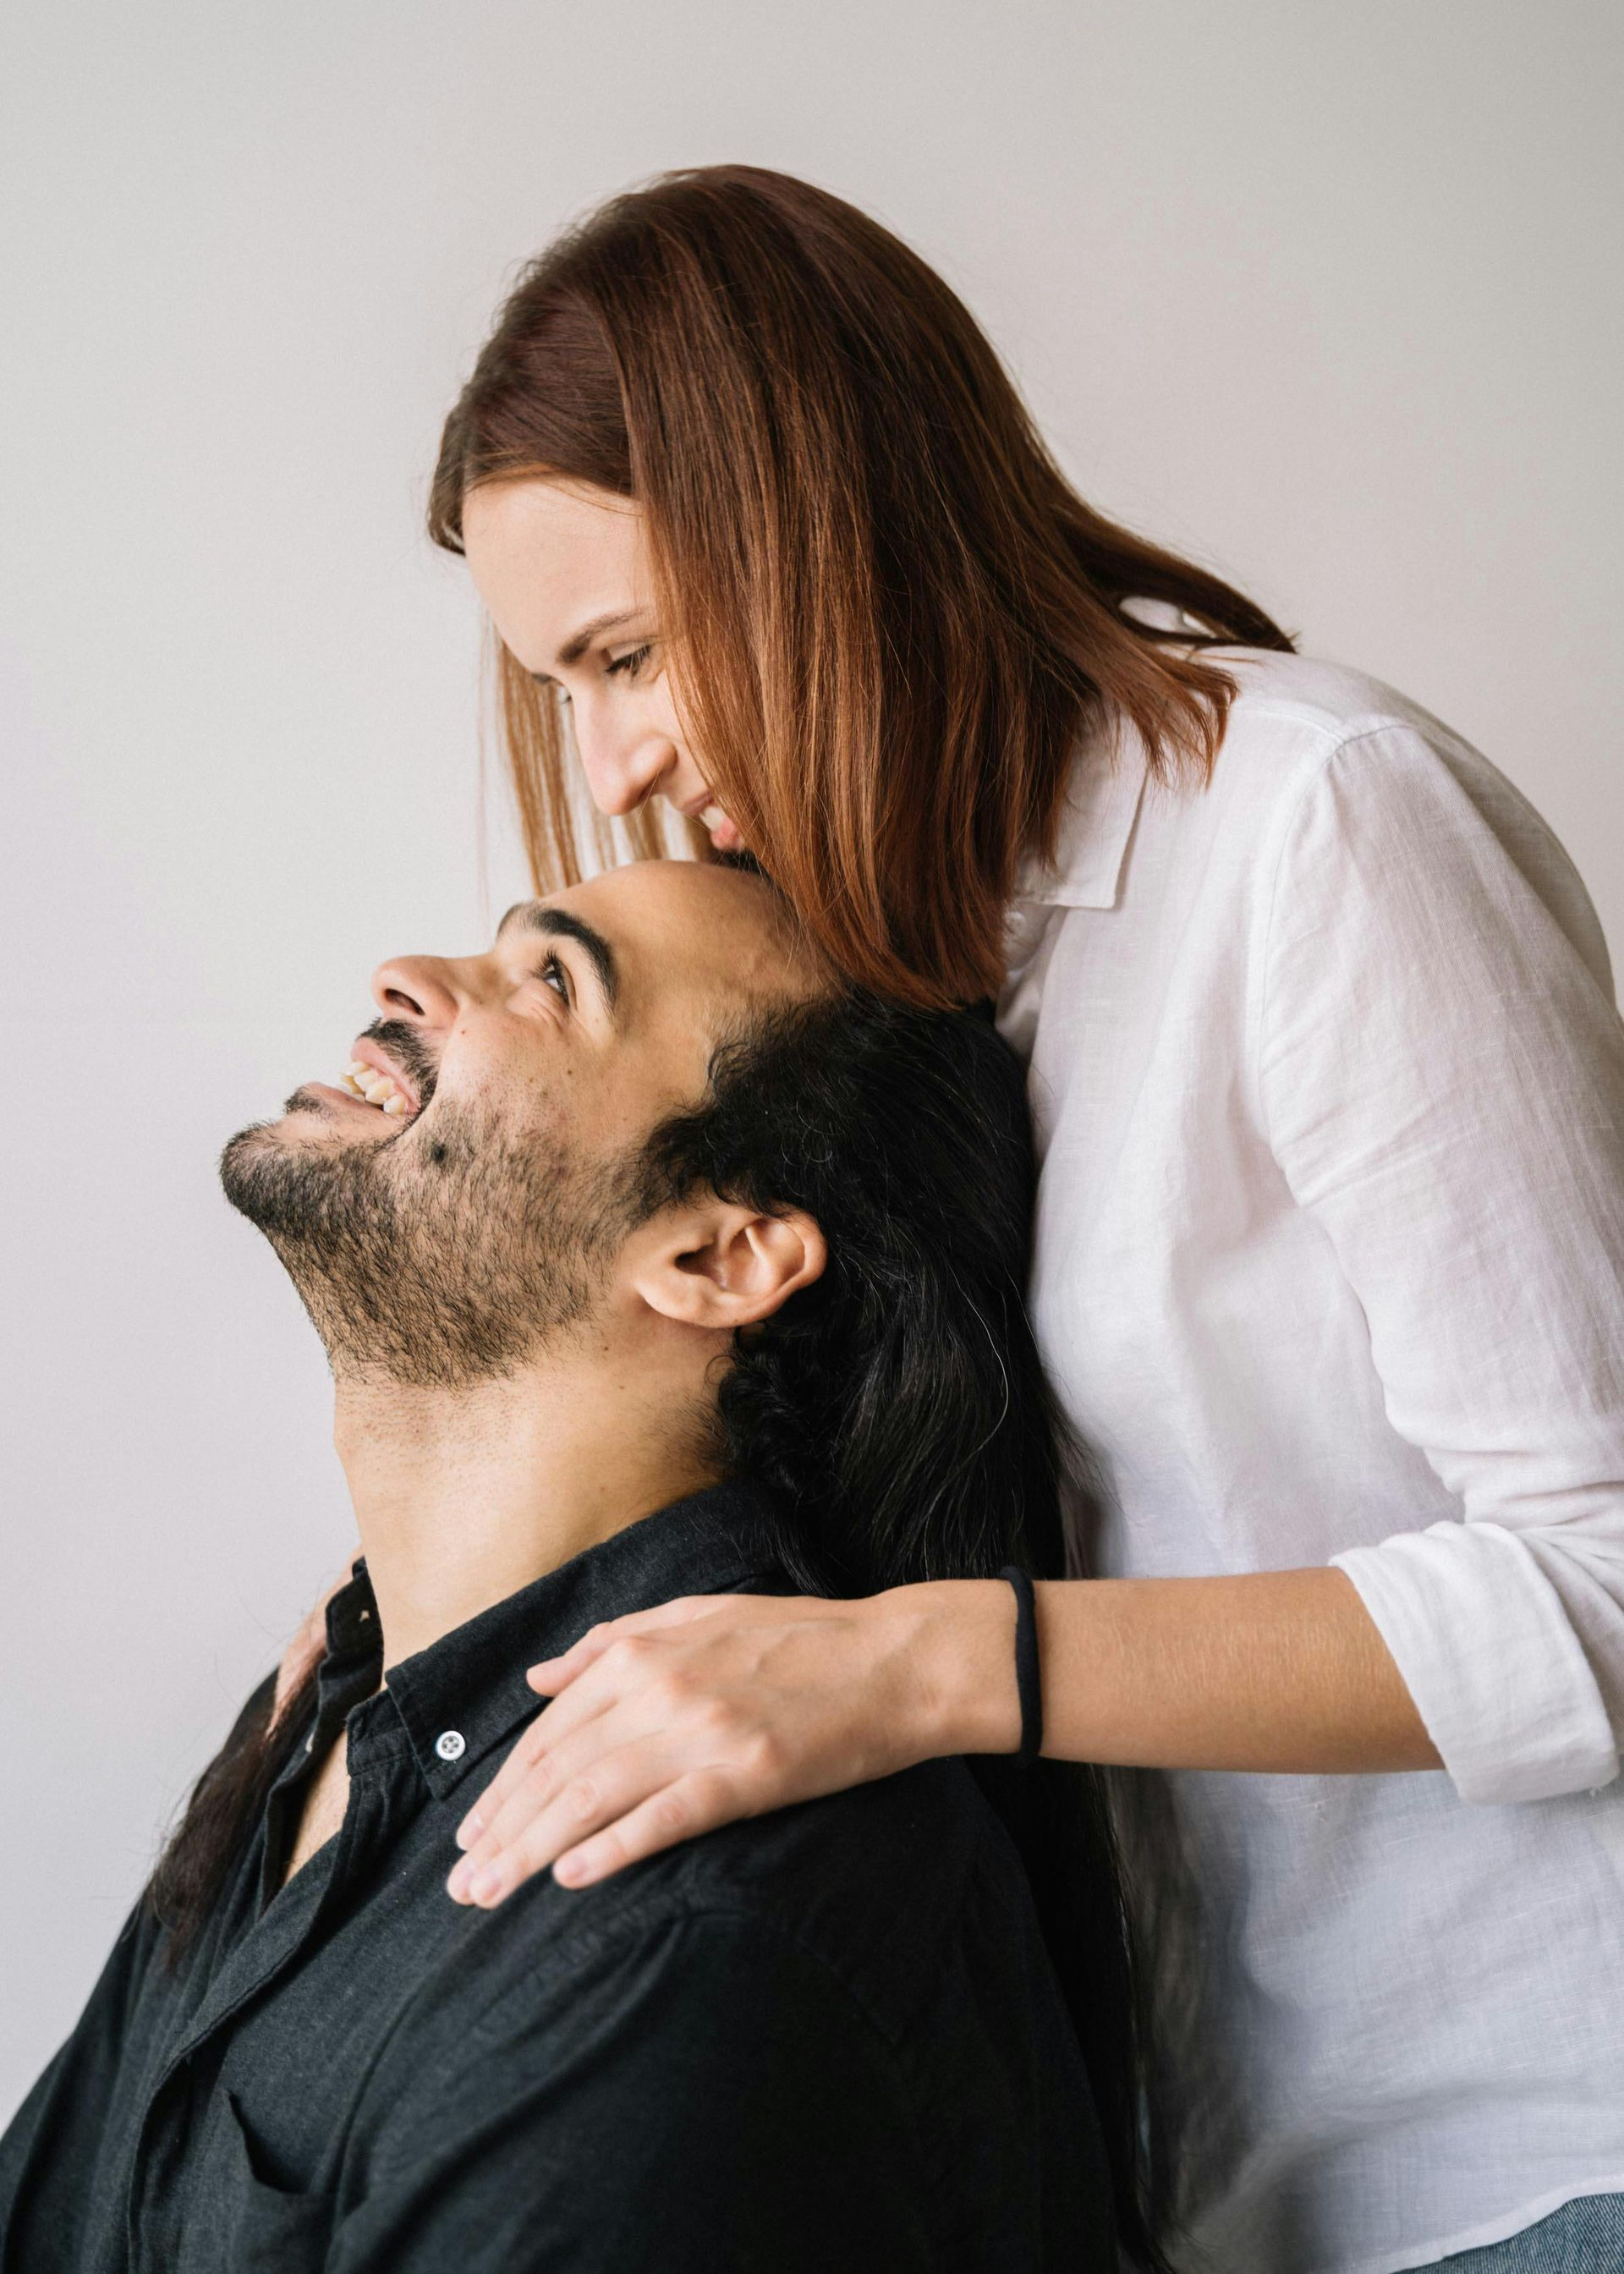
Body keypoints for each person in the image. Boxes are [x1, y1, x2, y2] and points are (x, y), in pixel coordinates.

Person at [398, 166, 1624, 2274]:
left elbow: (1606, 1584)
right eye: (563, 686)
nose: (612, 772)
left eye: (626, 654)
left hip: (1540, 2150)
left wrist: (916, 1672)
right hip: (1229, 2192)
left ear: (824, 532)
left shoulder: (1312, 831)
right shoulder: (901, 962)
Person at [0, 860, 1152, 2273]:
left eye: (554, 982)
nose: (406, 981)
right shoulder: (328, 1707)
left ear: (719, 1256)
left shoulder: (696, 1932)